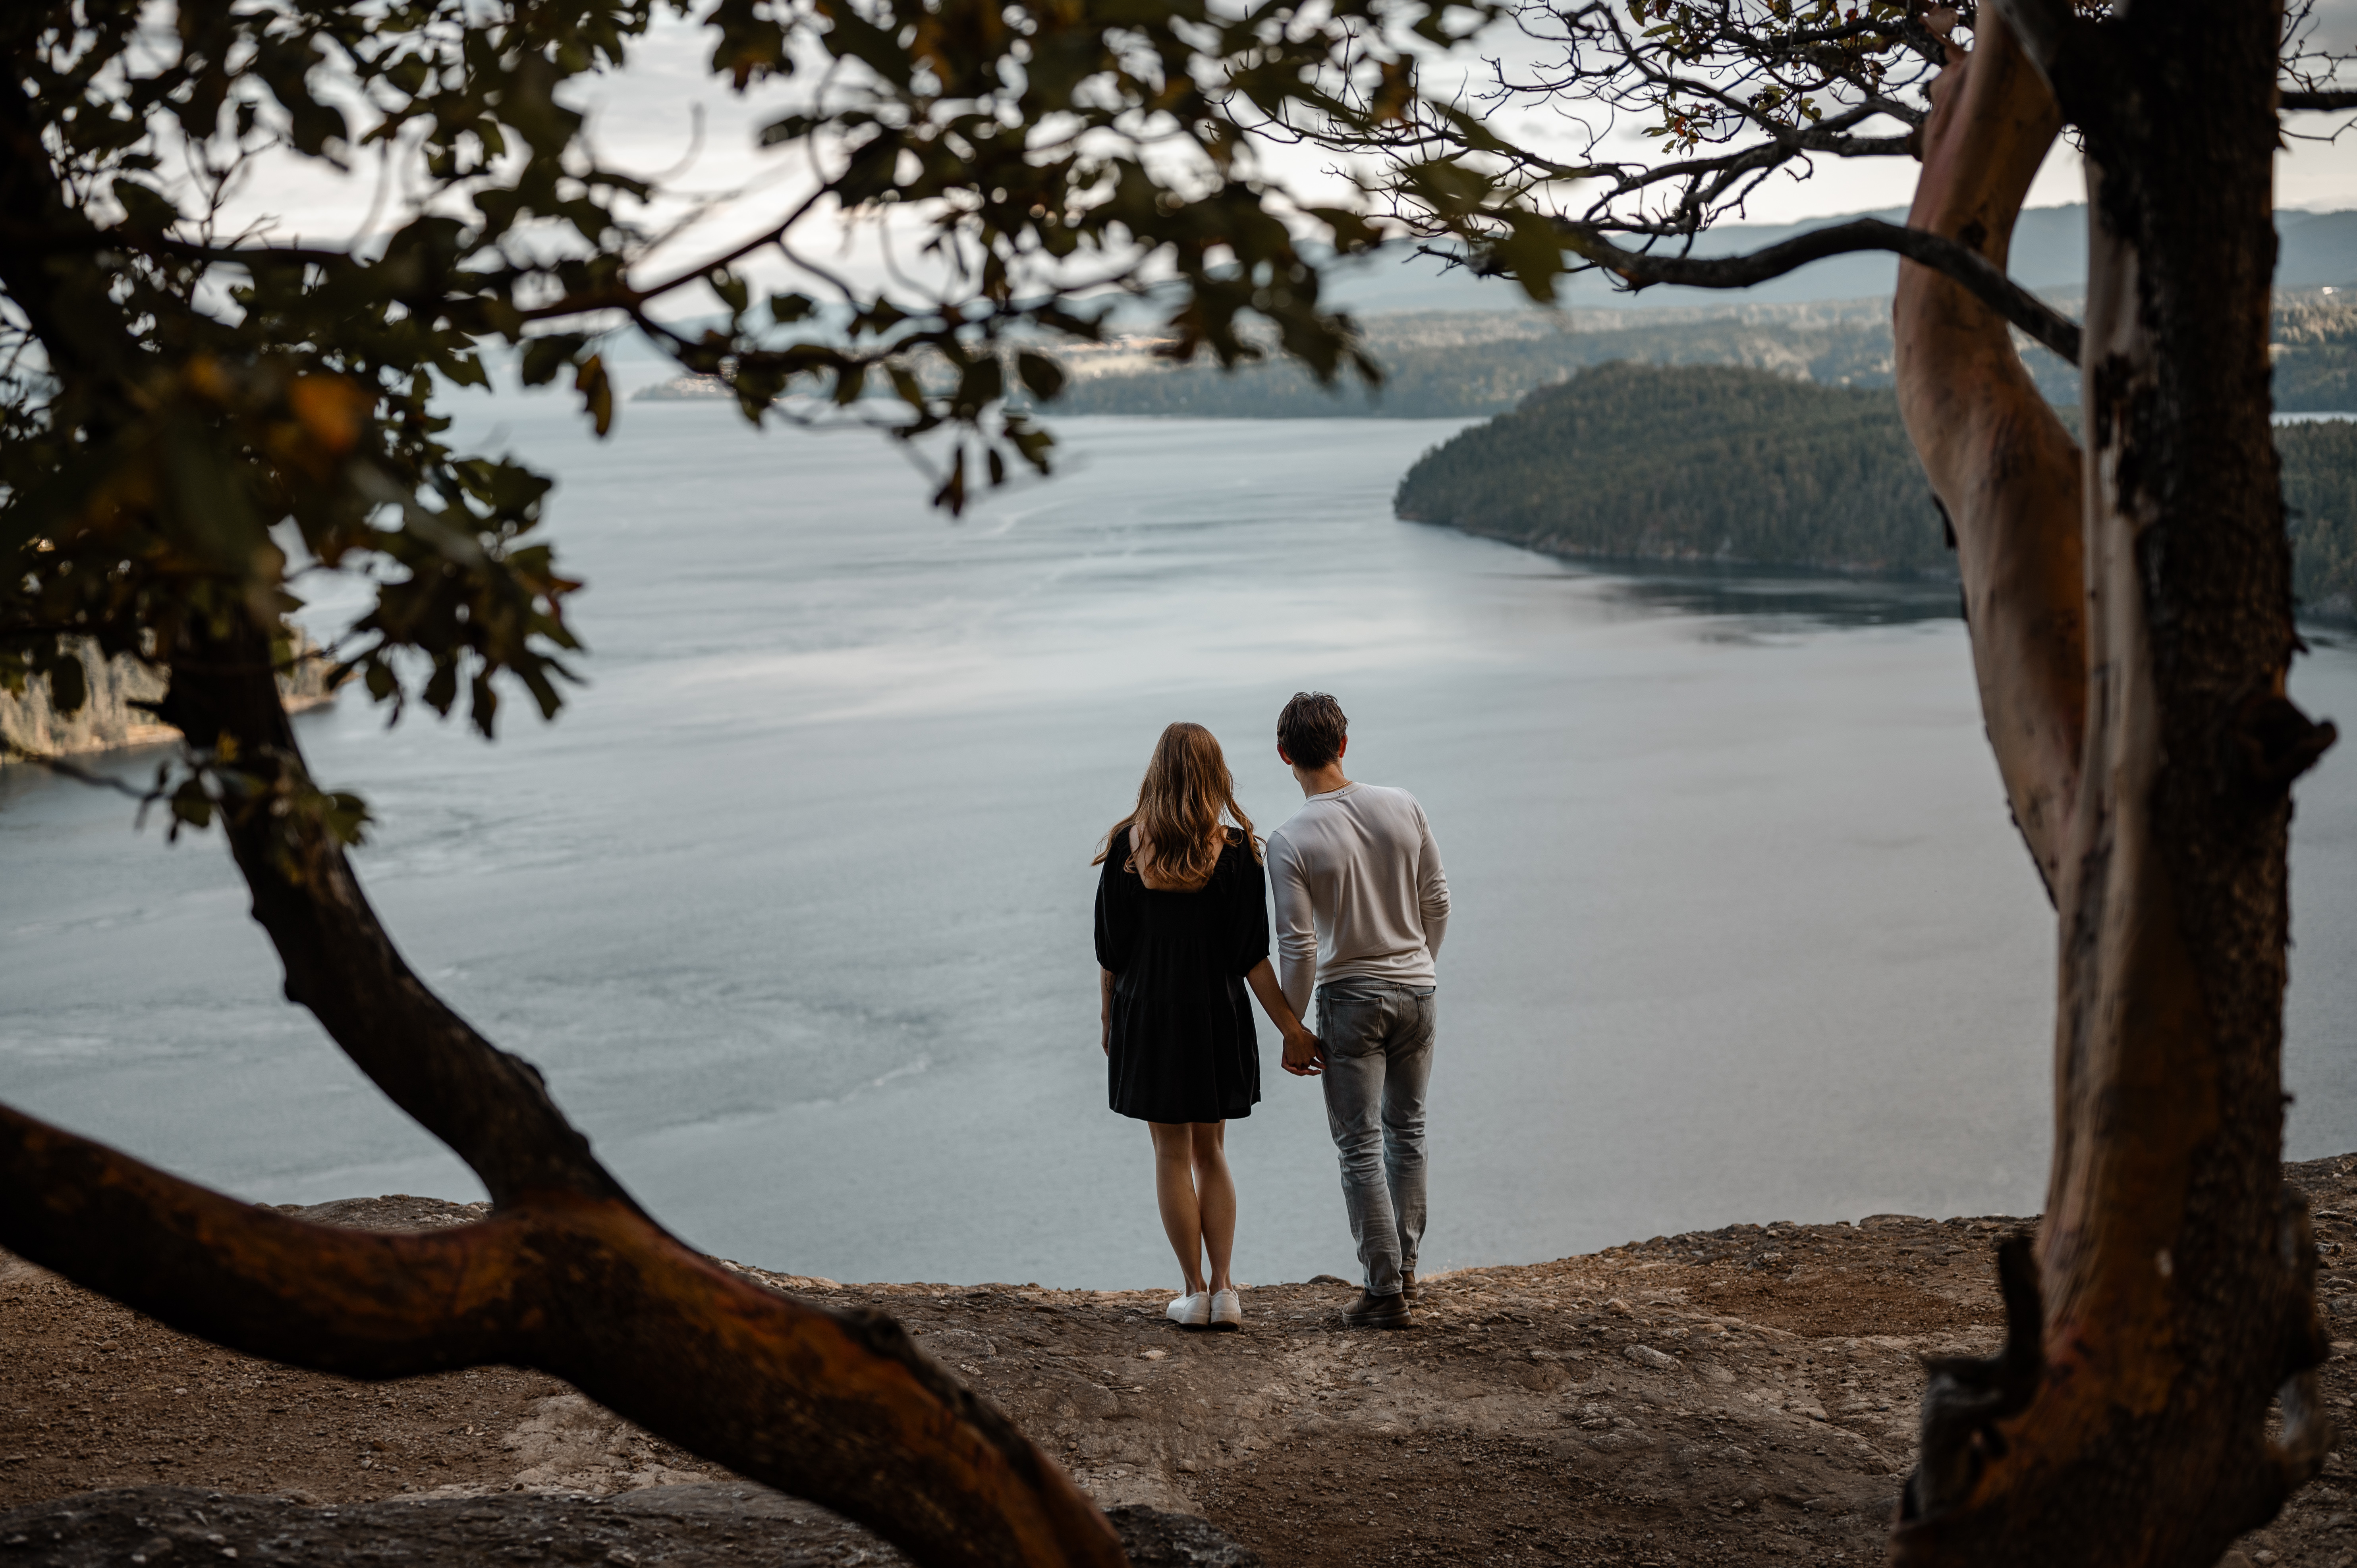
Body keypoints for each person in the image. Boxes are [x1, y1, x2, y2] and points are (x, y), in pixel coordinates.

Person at [1095, 721, 1322, 1333]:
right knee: (1211, 1150)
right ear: (1215, 776)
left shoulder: (1125, 848)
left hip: (1151, 1013)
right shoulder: (1239, 850)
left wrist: (1110, 1020)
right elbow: (1252, 956)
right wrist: (1292, 1028)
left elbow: (1111, 953)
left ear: (1157, 772)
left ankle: (1191, 1290)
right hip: (1215, 1013)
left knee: (1171, 1153)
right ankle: (1225, 1289)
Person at [1266, 692, 1451, 1329]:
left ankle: (1383, 1291)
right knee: (1410, 1132)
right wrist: (1420, 965)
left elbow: (1298, 945)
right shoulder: (1405, 804)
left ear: (1286, 754)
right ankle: (1405, 1272)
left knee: (1361, 1146)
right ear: (1344, 744)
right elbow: (1439, 900)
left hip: (1350, 998)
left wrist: (1293, 1026)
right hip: (1418, 989)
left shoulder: (1290, 839)